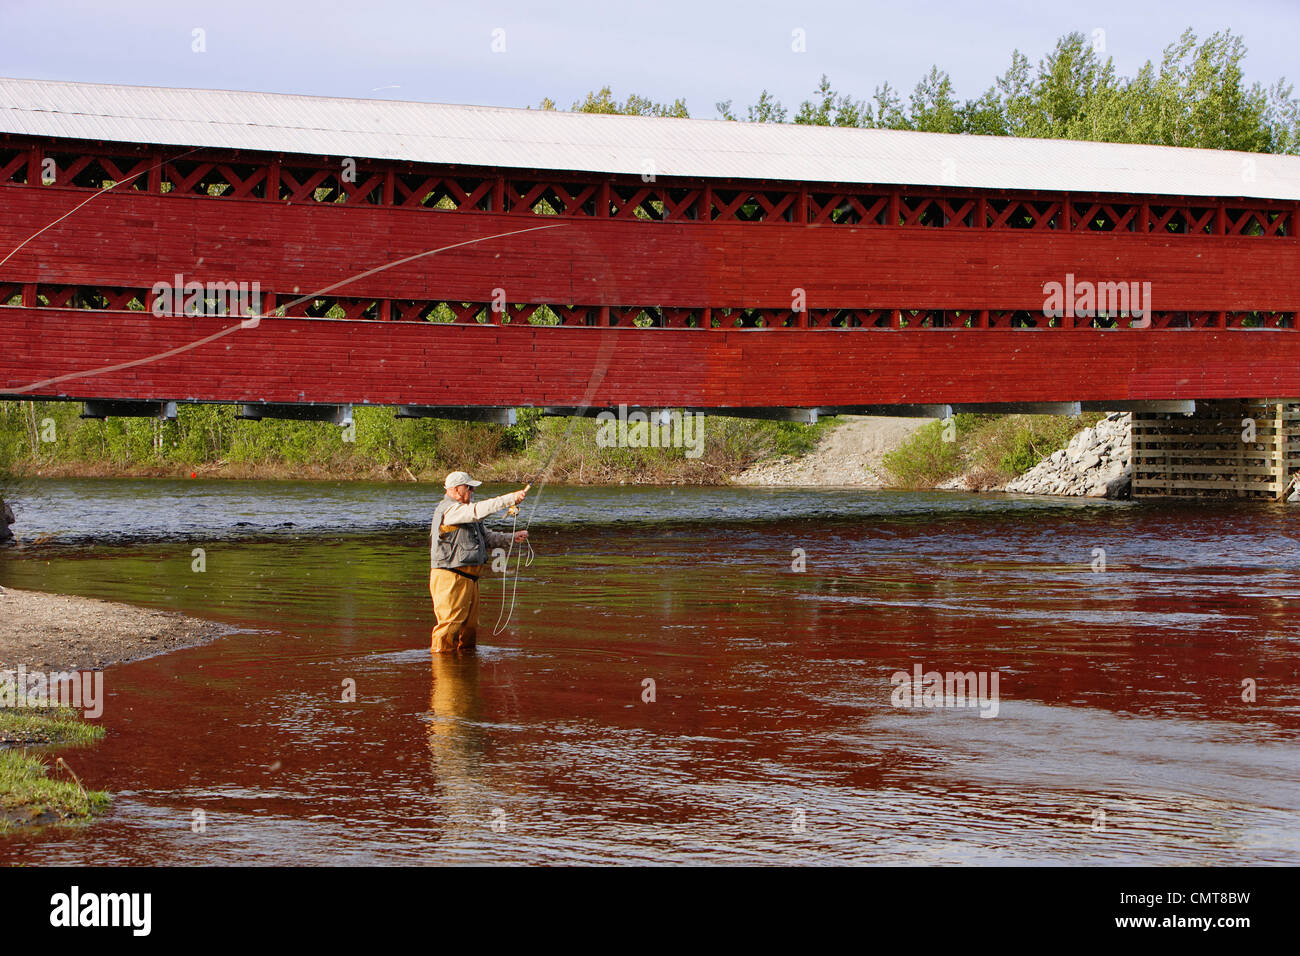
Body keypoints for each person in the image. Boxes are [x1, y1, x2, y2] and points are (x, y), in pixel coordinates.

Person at [429, 471, 528, 654]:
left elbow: (487, 538)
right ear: (456, 489)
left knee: (469, 630)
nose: (472, 491)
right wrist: (510, 498)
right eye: (469, 487)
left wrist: (512, 537)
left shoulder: (464, 512)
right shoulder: (450, 510)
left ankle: (465, 671)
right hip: (450, 578)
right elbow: (477, 511)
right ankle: (441, 670)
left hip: (469, 579)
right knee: (449, 627)